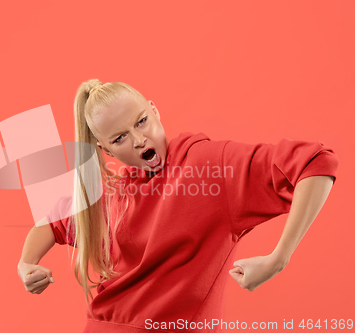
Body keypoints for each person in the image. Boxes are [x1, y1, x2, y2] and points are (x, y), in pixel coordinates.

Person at [17, 79, 339, 332]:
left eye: (142, 121)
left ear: (154, 110)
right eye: (120, 138)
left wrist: (277, 259)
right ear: (106, 151)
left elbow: (315, 162)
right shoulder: (115, 195)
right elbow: (53, 221)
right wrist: (26, 263)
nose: (139, 139)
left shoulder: (209, 166)